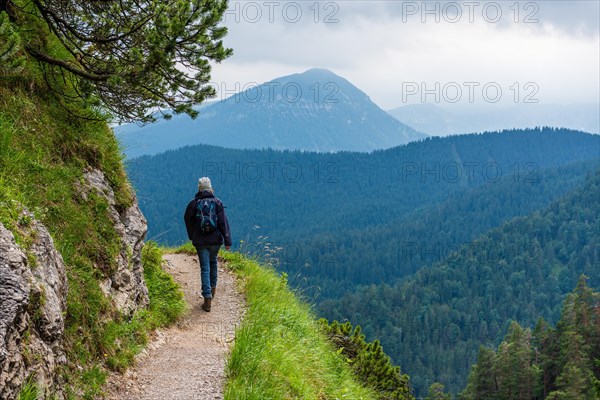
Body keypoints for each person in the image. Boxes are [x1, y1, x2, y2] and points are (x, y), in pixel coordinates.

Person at [184, 177, 232, 312]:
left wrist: (192, 235)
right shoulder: (217, 203)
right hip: (215, 240)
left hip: (200, 241)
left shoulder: (193, 204)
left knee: (204, 268)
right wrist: (227, 241)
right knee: (213, 263)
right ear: (211, 188)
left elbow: (187, 219)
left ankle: (207, 299)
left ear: (199, 188)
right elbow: (223, 223)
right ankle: (213, 289)